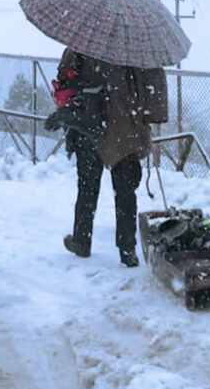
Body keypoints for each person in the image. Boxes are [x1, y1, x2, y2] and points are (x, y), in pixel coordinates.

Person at [45, 48, 168, 267]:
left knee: (88, 188)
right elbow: (153, 89)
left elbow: (65, 81)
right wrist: (146, 116)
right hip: (125, 127)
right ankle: (127, 249)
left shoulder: (84, 42)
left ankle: (82, 241)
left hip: (90, 124)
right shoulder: (136, 46)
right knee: (125, 192)